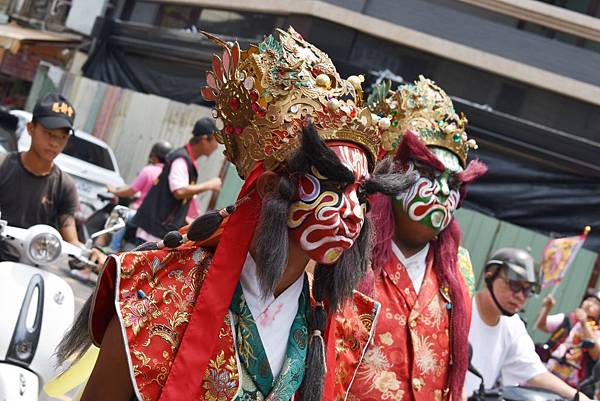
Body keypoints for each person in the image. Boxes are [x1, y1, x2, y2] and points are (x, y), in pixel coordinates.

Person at [57, 27, 388, 401]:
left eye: (361, 193)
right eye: (332, 187)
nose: (353, 212)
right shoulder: (157, 290)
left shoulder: (343, 325)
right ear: (269, 187)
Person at [338, 77, 486, 401]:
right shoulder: (343, 245)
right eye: (432, 175)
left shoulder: (460, 270)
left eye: (454, 182)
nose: (445, 191)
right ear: (392, 174)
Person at [465, 248, 591, 400]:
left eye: (528, 290)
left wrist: (580, 397)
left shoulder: (513, 325)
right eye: (514, 284)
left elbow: (535, 374)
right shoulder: (461, 310)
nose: (520, 296)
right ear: (489, 276)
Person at [0, 93, 104, 264]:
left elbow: (71, 239)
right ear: (30, 128)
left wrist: (91, 255)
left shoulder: (64, 185)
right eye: (48, 133)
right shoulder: (3, 165)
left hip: (31, 267)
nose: (55, 143)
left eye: (62, 137)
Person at [132, 117, 222, 242]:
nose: (217, 146)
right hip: (153, 234)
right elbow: (179, 191)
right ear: (205, 139)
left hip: (158, 230)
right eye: (216, 140)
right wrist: (210, 185)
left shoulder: (186, 160)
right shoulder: (181, 159)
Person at [105, 140, 173, 251]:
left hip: (140, 214)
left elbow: (131, 191)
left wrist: (114, 191)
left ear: (153, 156)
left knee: (120, 214)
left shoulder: (148, 171)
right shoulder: (170, 175)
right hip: (158, 220)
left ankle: (112, 249)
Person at [535, 290, 600, 394]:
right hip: (549, 373)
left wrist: (584, 323)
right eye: (588, 299)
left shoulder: (597, 331)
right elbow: (541, 325)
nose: (589, 304)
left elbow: (596, 354)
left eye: (596, 303)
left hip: (573, 386)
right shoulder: (569, 318)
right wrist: (547, 308)